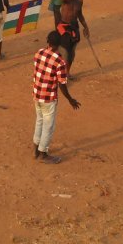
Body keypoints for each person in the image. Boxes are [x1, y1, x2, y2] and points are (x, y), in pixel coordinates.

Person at [32, 30, 81, 164]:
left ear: (48, 41)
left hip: (37, 94)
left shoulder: (39, 53)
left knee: (39, 121)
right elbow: (62, 84)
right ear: (59, 44)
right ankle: (43, 154)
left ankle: (36, 150)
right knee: (48, 126)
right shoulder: (59, 62)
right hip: (48, 97)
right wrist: (70, 99)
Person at [56, 0, 90, 74]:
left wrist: (86, 27)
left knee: (71, 52)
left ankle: (67, 73)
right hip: (63, 26)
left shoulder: (79, 1)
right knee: (64, 52)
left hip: (74, 26)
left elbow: (80, 15)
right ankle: (60, 73)